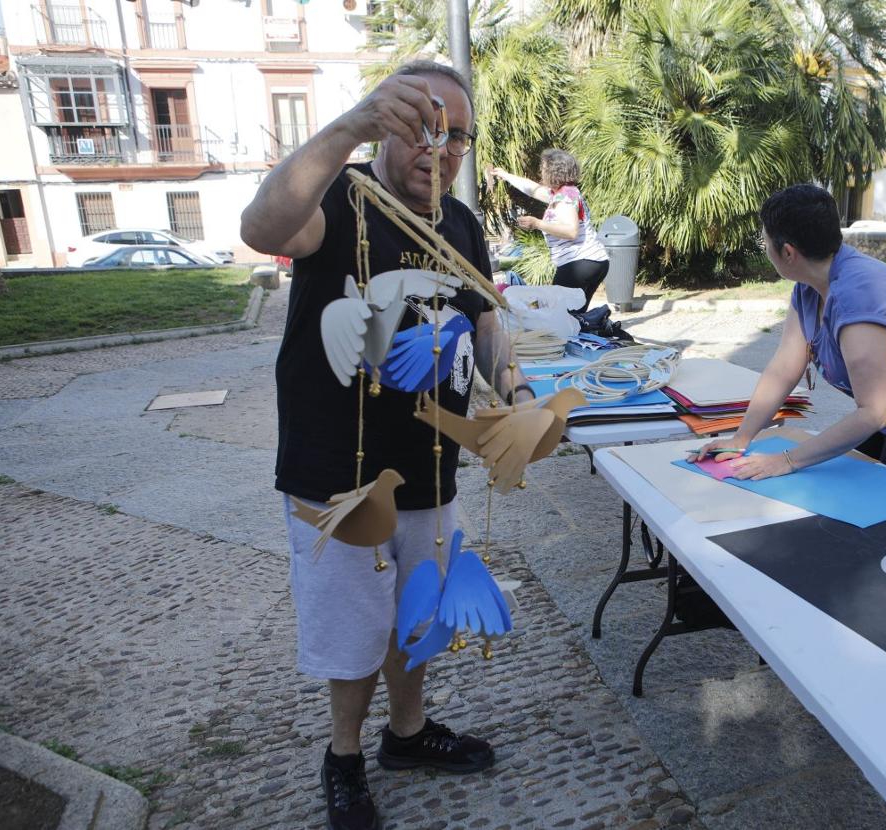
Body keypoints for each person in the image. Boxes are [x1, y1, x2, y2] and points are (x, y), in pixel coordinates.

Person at [240, 61, 535, 830]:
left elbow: (487, 320)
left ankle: (406, 735)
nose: (439, 151)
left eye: (456, 137)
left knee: (418, 612)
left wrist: (520, 398)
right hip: (336, 474)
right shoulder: (337, 197)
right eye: (422, 129)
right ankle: (343, 758)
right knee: (352, 633)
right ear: (390, 127)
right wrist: (347, 128)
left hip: (429, 467)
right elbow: (261, 229)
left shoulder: (463, 224)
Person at [696, 183, 886, 481]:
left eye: (765, 242)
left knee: (884, 516)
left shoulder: (856, 296)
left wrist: (787, 461)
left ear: (788, 252)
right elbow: (784, 368)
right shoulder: (808, 285)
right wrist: (741, 439)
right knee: (840, 488)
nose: (765, 249)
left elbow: (875, 411)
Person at [490, 149, 610, 313]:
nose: (541, 171)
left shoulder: (565, 198)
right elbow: (532, 189)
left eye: (544, 168)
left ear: (554, 171)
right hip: (593, 261)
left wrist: (537, 223)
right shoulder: (562, 193)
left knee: (556, 314)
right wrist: (505, 175)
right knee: (573, 317)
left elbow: (571, 231)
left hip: (579, 263)